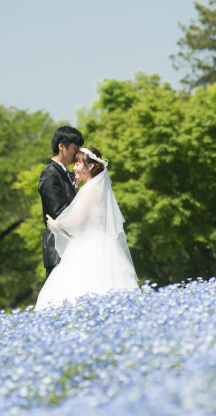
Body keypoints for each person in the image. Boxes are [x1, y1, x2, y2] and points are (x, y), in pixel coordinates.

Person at [35, 147, 139, 309]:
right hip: (101, 241)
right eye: (75, 164)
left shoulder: (90, 189)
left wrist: (55, 223)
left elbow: (76, 219)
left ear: (90, 166)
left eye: (78, 164)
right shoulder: (99, 189)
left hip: (89, 244)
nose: (74, 168)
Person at [39, 127, 84, 280]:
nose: (77, 153)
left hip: (72, 243)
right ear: (61, 146)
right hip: (58, 247)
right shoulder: (49, 174)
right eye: (75, 148)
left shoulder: (67, 173)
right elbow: (59, 212)